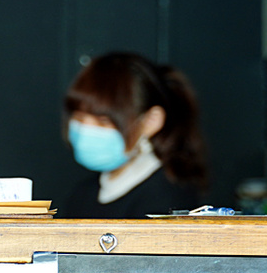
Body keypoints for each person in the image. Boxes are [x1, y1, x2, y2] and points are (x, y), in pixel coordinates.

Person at [59, 52, 208, 219]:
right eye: (78, 117)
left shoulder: (169, 201)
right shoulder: (82, 194)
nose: (86, 129)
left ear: (151, 121)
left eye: (104, 121)